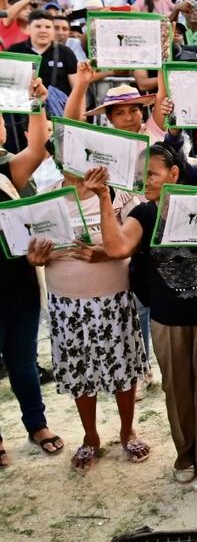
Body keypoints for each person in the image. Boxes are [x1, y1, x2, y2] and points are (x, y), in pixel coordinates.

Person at [88, 145, 197, 488]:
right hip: (167, 319)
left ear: (173, 174)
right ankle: (184, 456)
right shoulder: (142, 214)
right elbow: (118, 248)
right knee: (177, 390)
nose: (145, 182)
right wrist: (102, 198)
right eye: (140, 177)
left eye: (152, 174)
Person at [26, 166, 150, 471]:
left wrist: (105, 254)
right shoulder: (46, 197)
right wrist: (35, 258)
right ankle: (90, 435)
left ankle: (127, 430)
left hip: (114, 298)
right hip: (66, 304)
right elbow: (30, 246)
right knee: (80, 371)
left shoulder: (119, 191)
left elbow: (137, 241)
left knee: (122, 366)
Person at [0, 80, 64, 467]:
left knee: (23, 361)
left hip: (19, 286)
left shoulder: (7, 170)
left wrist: (37, 103)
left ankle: (36, 425)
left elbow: (39, 148)